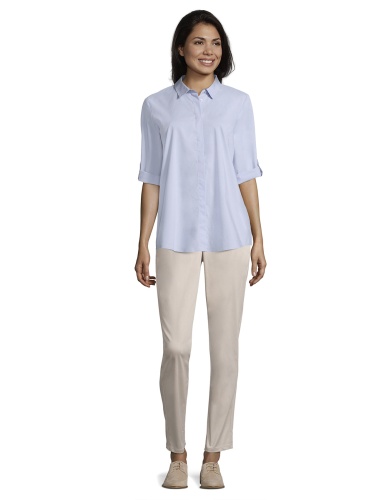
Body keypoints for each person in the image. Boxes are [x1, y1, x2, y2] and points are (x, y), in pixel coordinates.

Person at [134, 9, 266, 489]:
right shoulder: (156, 106)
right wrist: (142, 241)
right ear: (181, 48)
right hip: (175, 236)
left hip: (230, 236)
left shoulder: (237, 104)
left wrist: (259, 236)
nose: (208, 51)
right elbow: (151, 177)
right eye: (198, 42)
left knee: (225, 350)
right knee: (176, 347)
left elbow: (245, 171)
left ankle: (212, 456)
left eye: (215, 43)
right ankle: (177, 453)